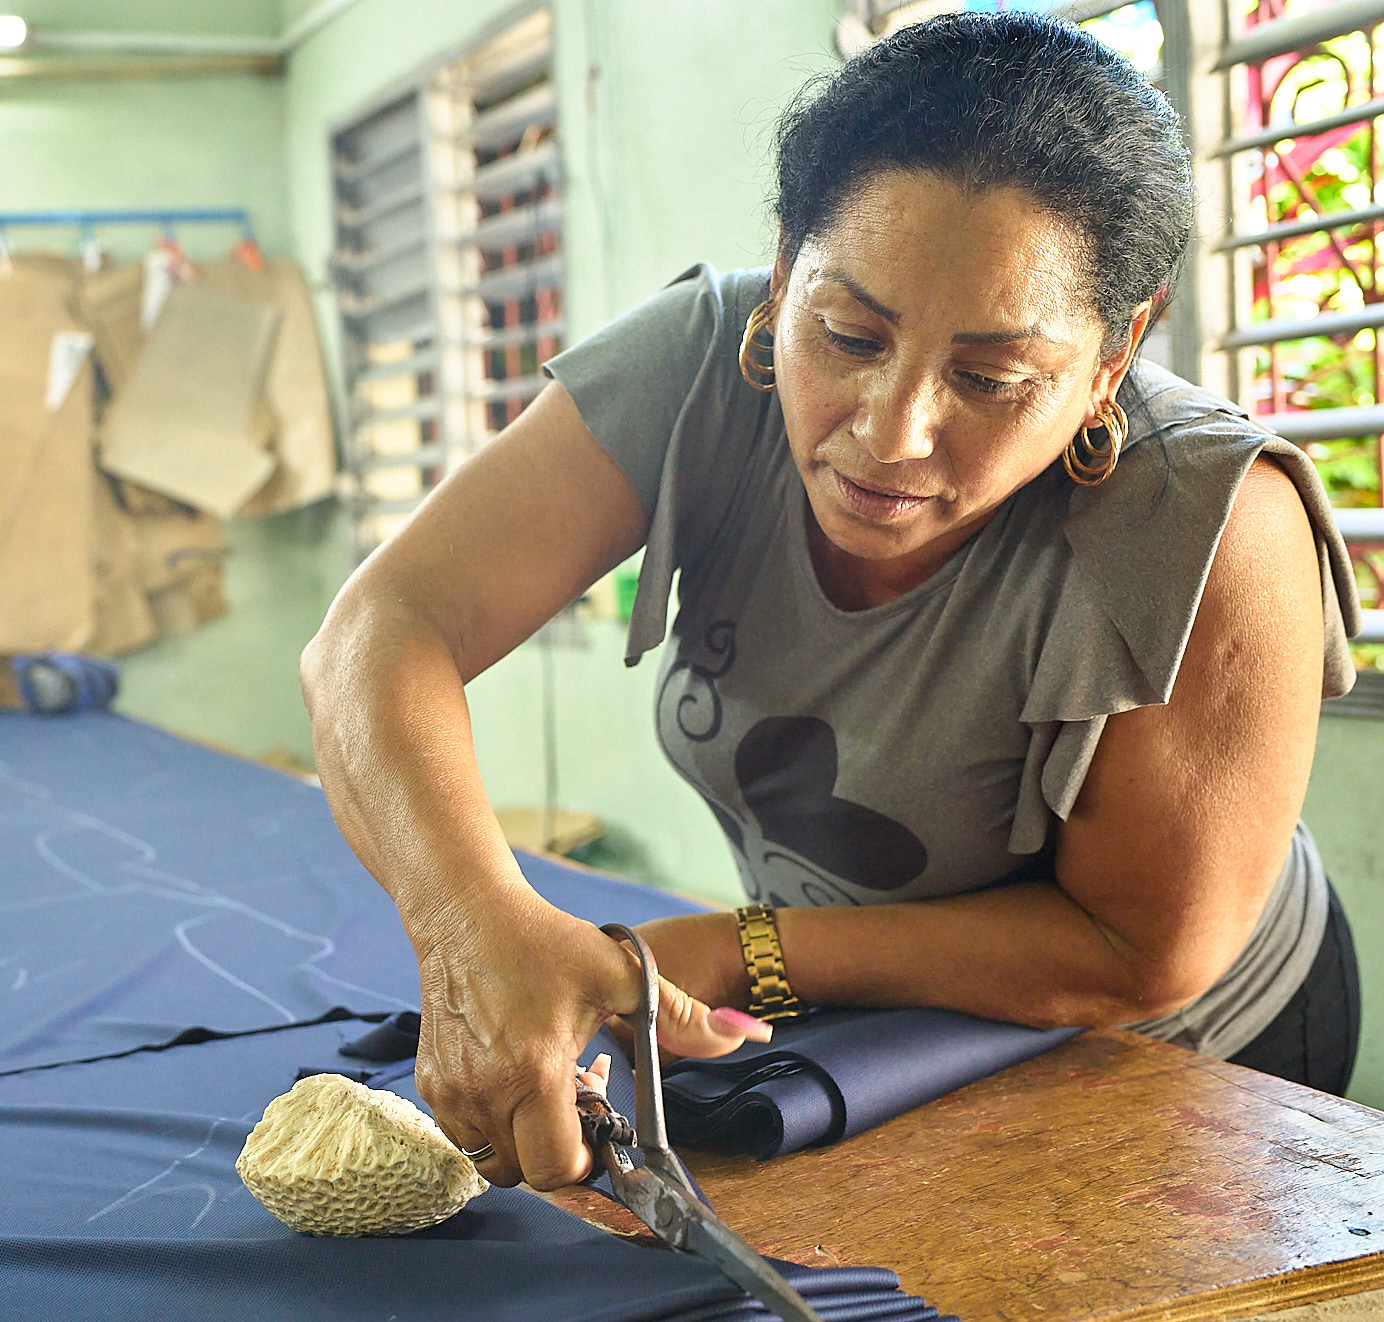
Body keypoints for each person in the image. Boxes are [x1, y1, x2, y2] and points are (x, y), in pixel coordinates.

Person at [299, 10, 1366, 1194]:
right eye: (847, 333)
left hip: (1187, 1060)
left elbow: (1132, 953)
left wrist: (716, 949)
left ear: (1114, 355)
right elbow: (379, 628)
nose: (887, 431)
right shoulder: (703, 366)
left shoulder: (1212, 523)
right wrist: (469, 922)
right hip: (868, 1024)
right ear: (785, 260)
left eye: (990, 378)